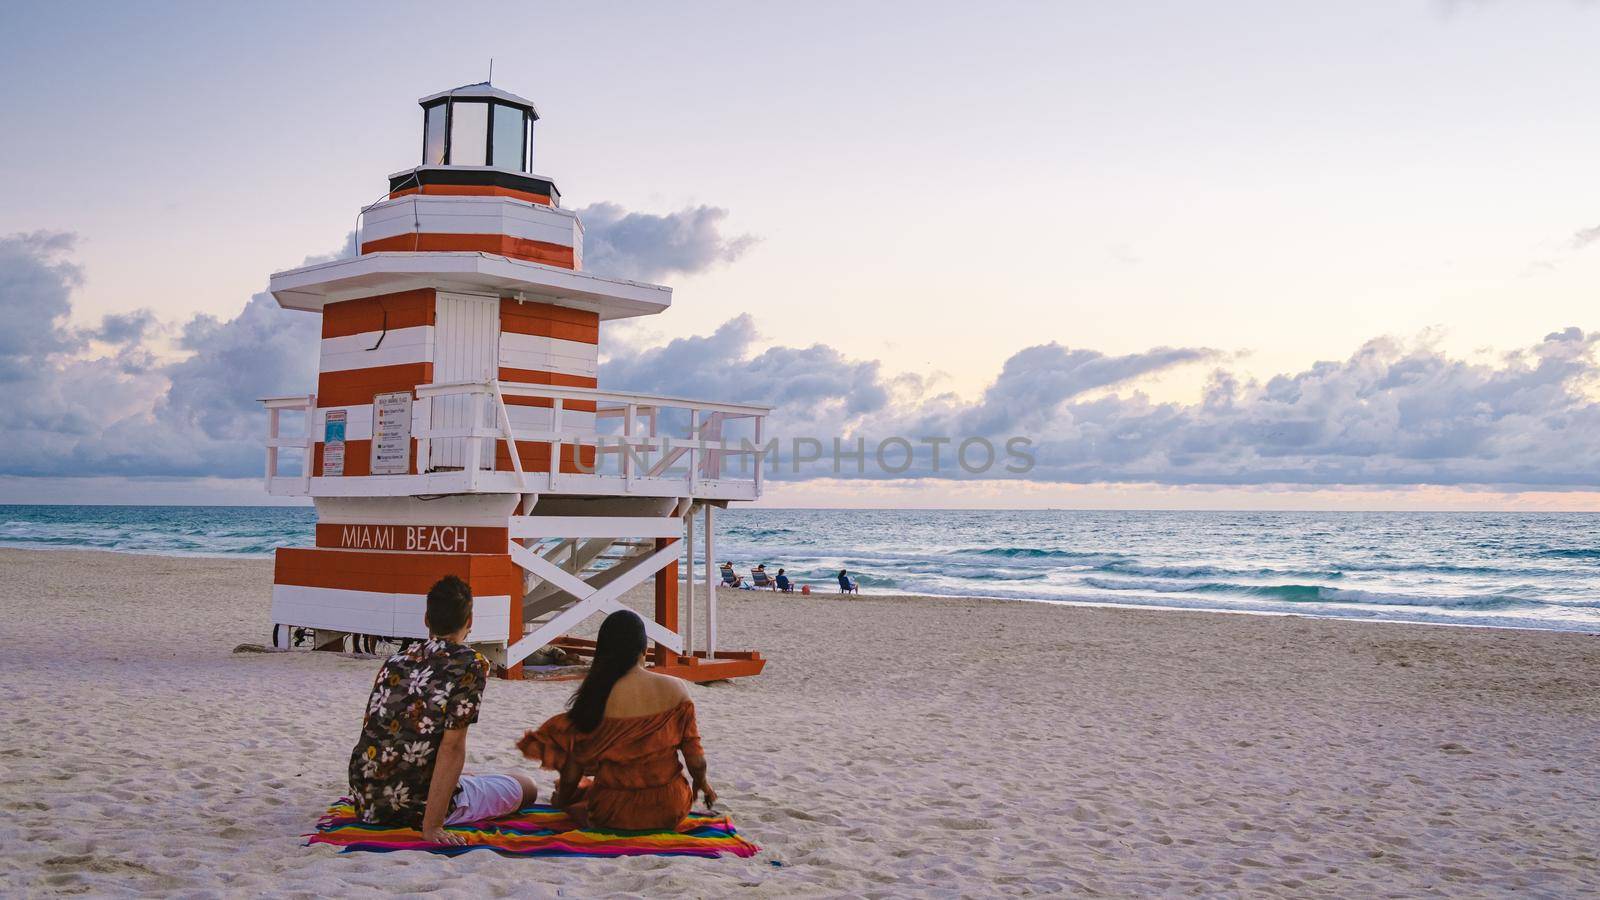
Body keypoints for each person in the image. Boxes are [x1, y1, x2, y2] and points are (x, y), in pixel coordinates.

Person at [348, 575, 537, 844]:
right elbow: (452, 746)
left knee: (468, 775)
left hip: (368, 799)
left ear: (427, 619)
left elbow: (377, 729)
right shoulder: (470, 663)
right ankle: (444, 807)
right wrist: (433, 826)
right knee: (526, 785)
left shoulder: (395, 661)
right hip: (414, 804)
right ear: (469, 622)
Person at [517, 610, 717, 831]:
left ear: (602, 652)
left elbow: (572, 771)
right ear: (644, 651)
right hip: (670, 808)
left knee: (584, 794)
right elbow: (696, 760)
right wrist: (702, 784)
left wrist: (565, 800)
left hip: (612, 812)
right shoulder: (677, 688)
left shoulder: (595, 696)